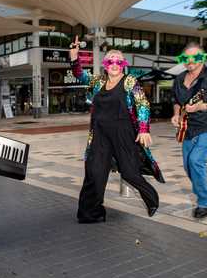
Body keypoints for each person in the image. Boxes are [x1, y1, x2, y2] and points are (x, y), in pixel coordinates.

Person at [70, 36, 164, 223]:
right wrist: (74, 58)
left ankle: (152, 198)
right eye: (110, 61)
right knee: (94, 171)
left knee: (130, 173)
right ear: (105, 64)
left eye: (118, 61)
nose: (114, 64)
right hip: (99, 135)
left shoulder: (130, 82)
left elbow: (143, 104)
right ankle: (91, 212)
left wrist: (144, 129)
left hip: (124, 135)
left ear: (123, 65)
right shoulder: (98, 82)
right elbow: (80, 74)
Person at [170, 42, 207, 219]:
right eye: (185, 58)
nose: (190, 61)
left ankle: (203, 202)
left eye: (195, 57)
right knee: (189, 166)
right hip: (188, 127)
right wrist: (176, 115)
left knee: (196, 161)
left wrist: (202, 106)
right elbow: (177, 102)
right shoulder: (179, 79)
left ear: (202, 58)